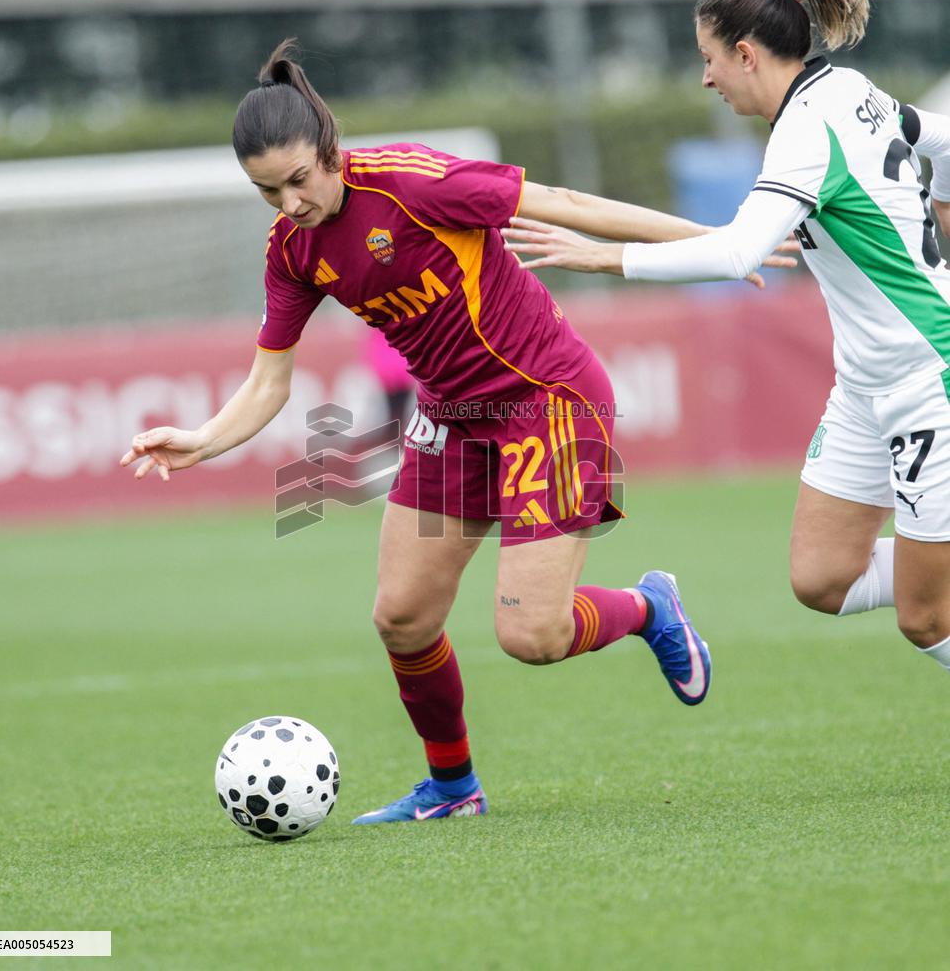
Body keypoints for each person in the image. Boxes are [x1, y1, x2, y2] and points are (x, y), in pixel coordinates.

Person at [121, 40, 792, 826]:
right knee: (401, 618)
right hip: (452, 417)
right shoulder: (292, 250)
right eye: (267, 192)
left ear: (329, 151)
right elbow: (271, 380)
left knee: (532, 636)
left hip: (549, 402)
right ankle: (452, 787)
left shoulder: (410, 183)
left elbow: (566, 204)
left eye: (299, 180)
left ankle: (650, 608)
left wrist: (707, 245)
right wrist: (203, 440)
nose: (290, 203)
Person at [503, 0, 950, 677]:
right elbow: (943, 140)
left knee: (927, 618)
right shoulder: (848, 90)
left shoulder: (806, 128)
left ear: (746, 54)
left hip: (931, 377)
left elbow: (741, 250)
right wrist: (943, 204)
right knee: (822, 577)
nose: (706, 78)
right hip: (868, 386)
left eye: (708, 58)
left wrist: (605, 258)